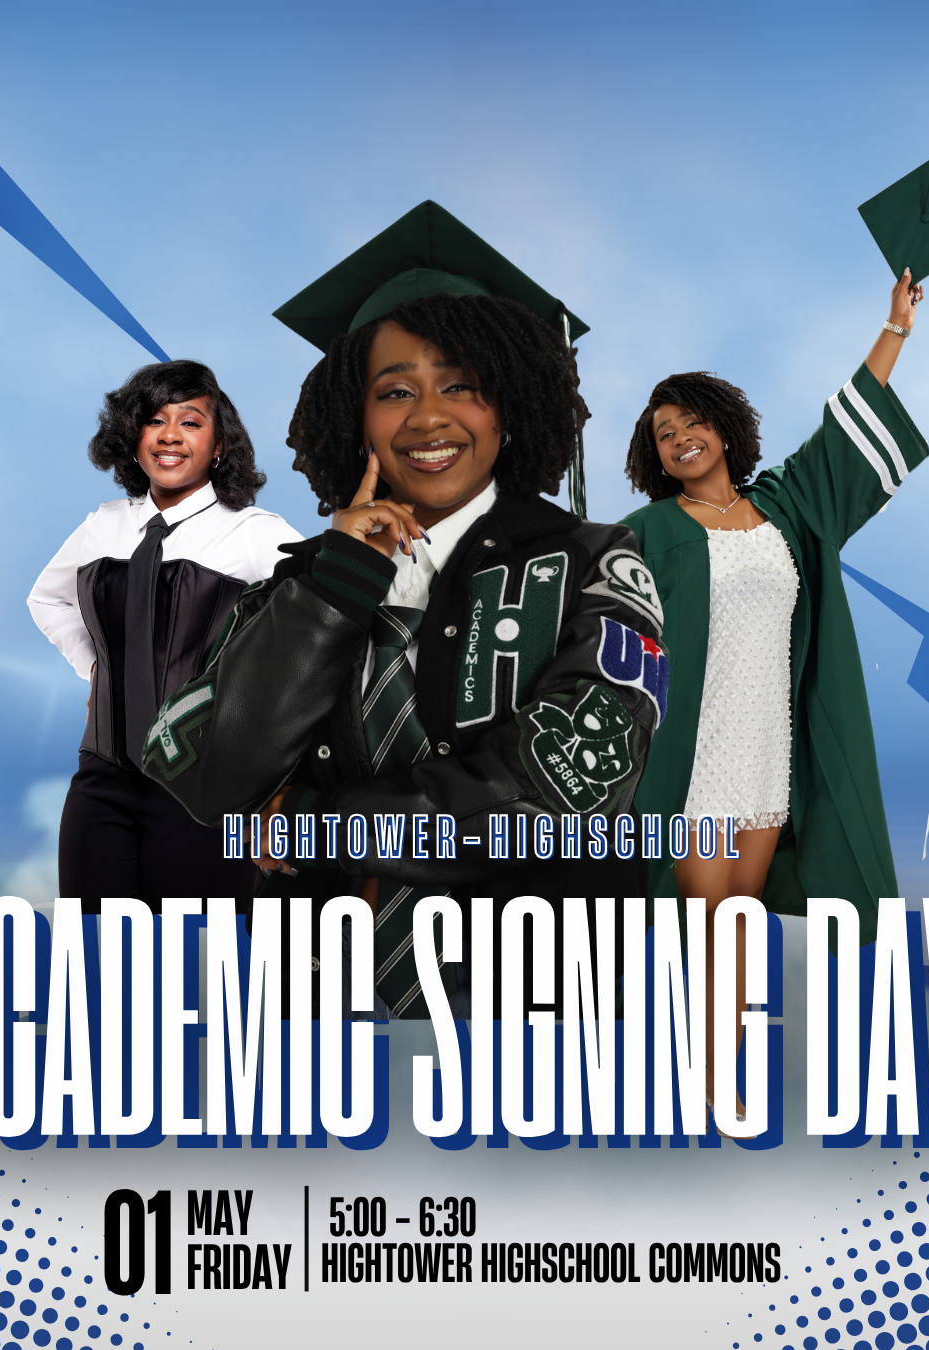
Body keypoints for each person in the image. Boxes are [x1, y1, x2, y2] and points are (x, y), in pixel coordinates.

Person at [141, 201, 668, 1018]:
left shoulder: (596, 560)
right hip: (319, 1007)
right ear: (356, 419)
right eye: (395, 391)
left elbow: (568, 783)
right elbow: (209, 772)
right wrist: (336, 587)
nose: (428, 417)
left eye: (462, 384)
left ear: (513, 402)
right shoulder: (301, 583)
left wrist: (329, 824)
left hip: (533, 1006)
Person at [620, 267, 927, 1125]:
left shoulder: (784, 509)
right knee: (693, 918)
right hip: (691, 745)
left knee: (736, 922)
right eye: (663, 432)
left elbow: (843, 434)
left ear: (722, 427)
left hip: (766, 743)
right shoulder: (645, 531)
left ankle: (720, 1077)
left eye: (689, 421)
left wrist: (894, 328)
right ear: (654, 454)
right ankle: (679, 1068)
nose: (679, 437)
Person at [28, 360, 301, 913]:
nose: (170, 435)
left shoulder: (254, 533)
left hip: (205, 786)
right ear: (133, 437)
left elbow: (317, 633)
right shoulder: (102, 524)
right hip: (102, 777)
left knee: (195, 967)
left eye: (191, 422)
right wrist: (98, 668)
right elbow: (47, 600)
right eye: (154, 420)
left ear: (219, 443)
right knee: (93, 959)